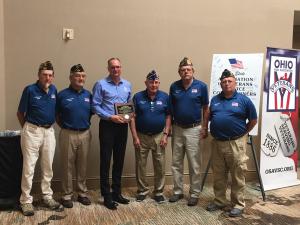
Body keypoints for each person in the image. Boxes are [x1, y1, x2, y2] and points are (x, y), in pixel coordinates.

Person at [206, 69, 257, 217]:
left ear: (235, 83)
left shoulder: (244, 100)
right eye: (224, 81)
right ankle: (219, 201)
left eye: (229, 81)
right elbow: (209, 116)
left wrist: (242, 133)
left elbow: (253, 120)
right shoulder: (215, 100)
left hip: (236, 143)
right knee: (218, 174)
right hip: (217, 143)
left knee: (237, 174)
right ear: (220, 84)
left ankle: (238, 204)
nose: (226, 83)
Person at [17, 61, 62, 216]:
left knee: (48, 166)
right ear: (39, 75)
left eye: (50, 75)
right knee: (29, 167)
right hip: (32, 131)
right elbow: (20, 113)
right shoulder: (29, 90)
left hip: (49, 131)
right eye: (44, 75)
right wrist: (28, 129)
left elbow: (55, 111)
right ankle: (26, 201)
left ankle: (47, 196)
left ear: (53, 77)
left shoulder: (54, 90)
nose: (47, 78)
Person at [92, 58, 132, 210]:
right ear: (108, 69)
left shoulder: (127, 84)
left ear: (121, 68)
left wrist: (129, 115)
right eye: (113, 67)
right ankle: (106, 195)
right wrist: (110, 116)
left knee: (119, 160)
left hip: (122, 126)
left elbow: (128, 104)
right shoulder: (100, 84)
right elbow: (95, 105)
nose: (116, 70)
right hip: (108, 125)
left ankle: (117, 192)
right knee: (106, 160)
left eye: (118, 67)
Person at [169, 57, 209, 206]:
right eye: (183, 70)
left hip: (194, 129)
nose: (186, 72)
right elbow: (170, 109)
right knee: (176, 163)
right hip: (178, 128)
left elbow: (206, 108)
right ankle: (178, 191)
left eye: (188, 69)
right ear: (179, 72)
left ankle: (194, 193)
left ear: (193, 71)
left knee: (194, 164)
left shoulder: (201, 87)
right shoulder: (174, 87)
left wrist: (205, 127)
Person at [130, 70, 171, 203]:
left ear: (159, 83)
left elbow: (169, 116)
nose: (154, 85)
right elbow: (131, 118)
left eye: (156, 82)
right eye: (151, 82)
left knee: (160, 164)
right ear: (146, 83)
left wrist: (165, 135)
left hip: (159, 135)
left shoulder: (165, 97)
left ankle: (158, 192)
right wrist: (135, 137)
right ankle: (142, 191)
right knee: (140, 165)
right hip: (141, 136)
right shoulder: (137, 97)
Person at [56, 64, 92, 208]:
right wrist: (66, 127)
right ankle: (66, 195)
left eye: (83, 76)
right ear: (71, 77)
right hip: (67, 133)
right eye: (77, 76)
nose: (81, 78)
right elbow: (56, 115)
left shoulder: (88, 95)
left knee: (82, 166)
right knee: (67, 166)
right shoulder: (62, 95)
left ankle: (82, 193)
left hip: (85, 133)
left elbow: (91, 113)